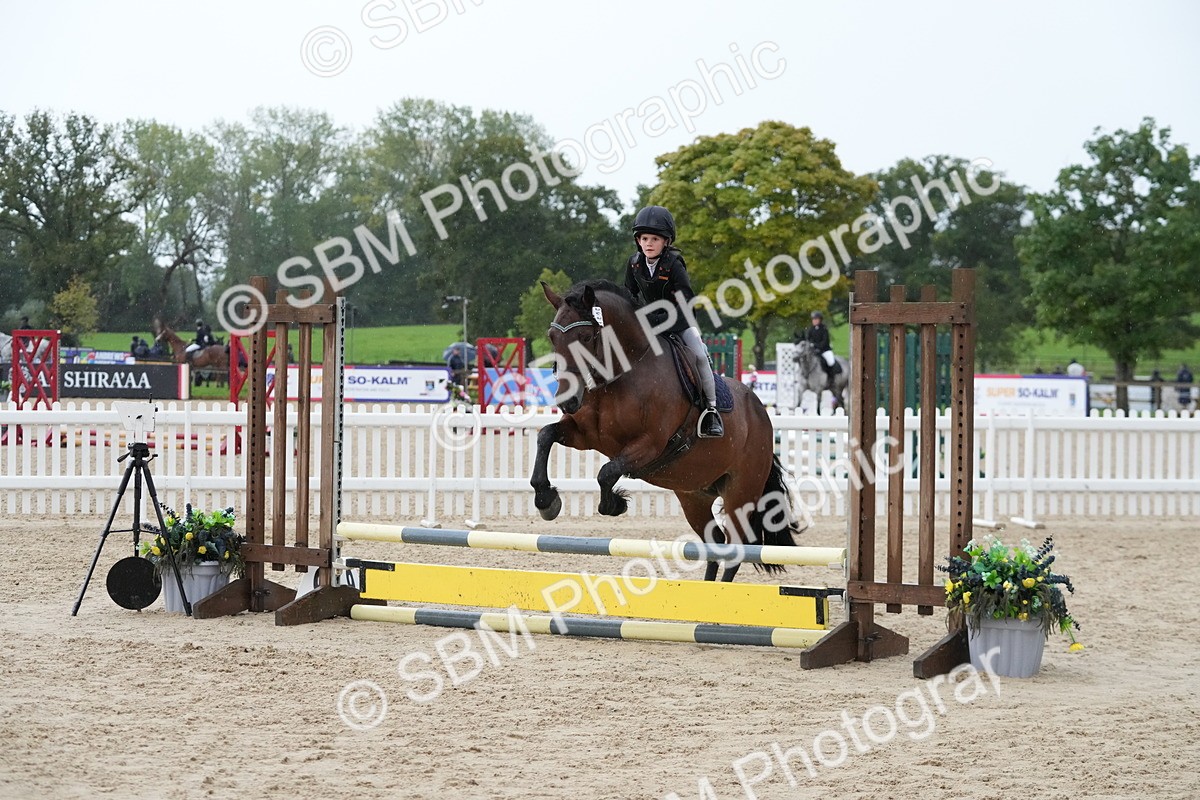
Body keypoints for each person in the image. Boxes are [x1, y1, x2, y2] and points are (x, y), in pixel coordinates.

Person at [623, 205, 723, 438]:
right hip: (648, 323)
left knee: (698, 355)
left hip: (679, 320)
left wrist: (658, 319)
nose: (648, 243)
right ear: (638, 240)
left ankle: (711, 409)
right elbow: (628, 294)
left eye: (655, 239)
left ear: (666, 242)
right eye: (644, 238)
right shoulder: (634, 263)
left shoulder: (674, 264)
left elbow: (687, 300)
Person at [800, 311, 840, 391]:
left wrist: (816, 346)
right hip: (814, 351)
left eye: (816, 319)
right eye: (813, 319)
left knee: (831, 362)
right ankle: (805, 377)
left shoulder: (824, 329)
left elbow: (825, 342)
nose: (814, 321)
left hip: (825, 350)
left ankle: (831, 380)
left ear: (820, 320)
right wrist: (810, 345)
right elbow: (809, 340)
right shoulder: (811, 329)